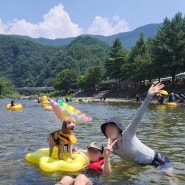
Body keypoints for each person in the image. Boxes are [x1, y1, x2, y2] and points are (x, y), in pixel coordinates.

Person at [101, 82, 171, 167]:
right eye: (107, 129)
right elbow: (97, 153)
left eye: (112, 127)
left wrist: (149, 95)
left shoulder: (128, 134)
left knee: (170, 180)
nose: (109, 130)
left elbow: (138, 116)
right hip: (141, 164)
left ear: (118, 129)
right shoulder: (111, 148)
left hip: (158, 160)